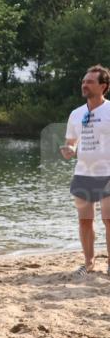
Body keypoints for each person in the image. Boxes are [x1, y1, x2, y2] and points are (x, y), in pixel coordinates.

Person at [60, 65, 110, 278]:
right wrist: (69, 150)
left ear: (103, 86)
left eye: (90, 81)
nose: (84, 84)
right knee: (84, 220)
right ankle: (89, 263)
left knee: (108, 220)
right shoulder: (76, 113)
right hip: (82, 174)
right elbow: (71, 143)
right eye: (83, 81)